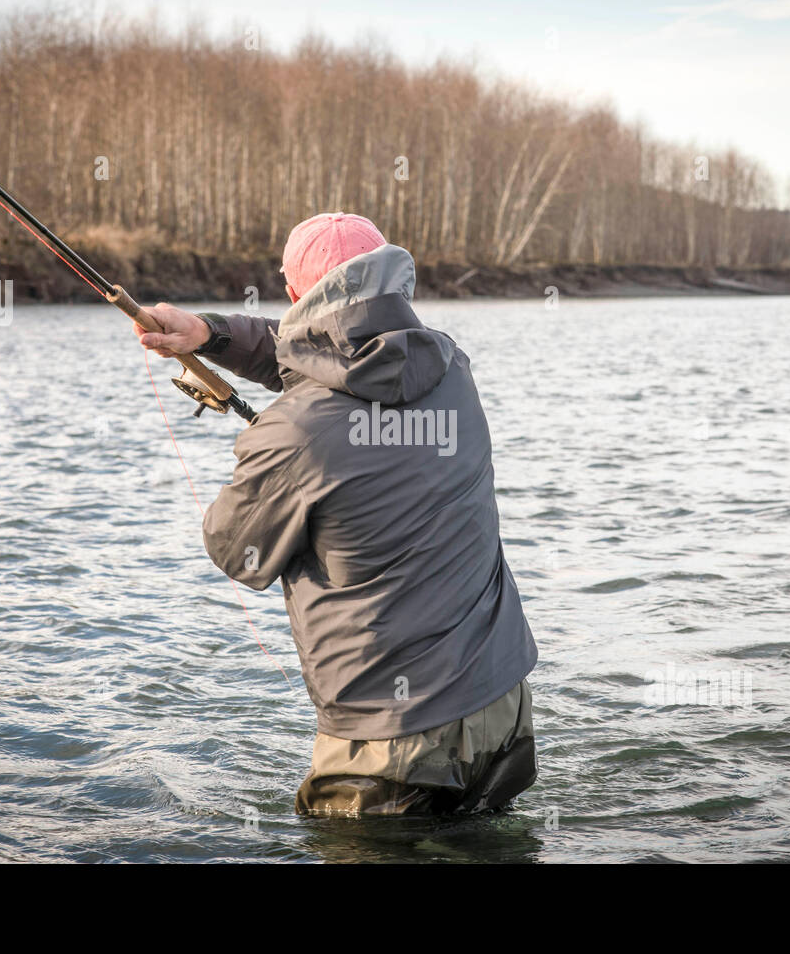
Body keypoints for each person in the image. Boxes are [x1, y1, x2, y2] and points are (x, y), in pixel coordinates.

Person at [133, 212, 538, 817]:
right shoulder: (452, 369)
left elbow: (234, 551)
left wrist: (275, 462)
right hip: (503, 707)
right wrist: (208, 333)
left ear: (295, 296)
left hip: (391, 743)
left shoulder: (293, 431)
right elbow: (337, 359)